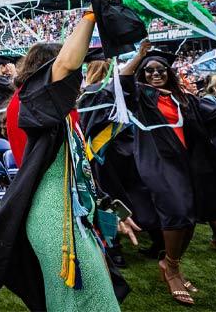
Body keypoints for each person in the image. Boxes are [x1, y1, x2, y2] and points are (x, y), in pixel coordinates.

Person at [0, 0, 131, 312]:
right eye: (72, 75)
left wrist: (103, 205)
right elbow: (65, 65)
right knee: (83, 302)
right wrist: (92, 13)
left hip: (70, 211)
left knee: (87, 300)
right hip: (53, 214)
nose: (78, 80)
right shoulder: (31, 101)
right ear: (46, 75)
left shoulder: (57, 111)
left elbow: (77, 166)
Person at [120, 46, 216, 306]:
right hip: (158, 161)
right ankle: (172, 269)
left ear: (169, 72)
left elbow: (212, 117)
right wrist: (139, 56)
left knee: (189, 217)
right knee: (176, 210)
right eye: (150, 70)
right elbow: (123, 81)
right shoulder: (141, 96)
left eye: (161, 69)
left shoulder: (182, 97)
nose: (156, 73)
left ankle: (170, 263)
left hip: (186, 162)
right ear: (143, 74)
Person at [77, 45, 160, 268]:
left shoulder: (91, 93)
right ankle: (158, 239)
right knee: (140, 193)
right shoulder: (122, 90)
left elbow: (85, 127)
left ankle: (115, 250)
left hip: (104, 155)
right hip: (131, 150)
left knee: (109, 199)